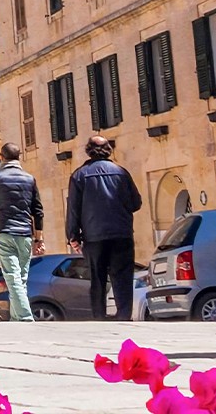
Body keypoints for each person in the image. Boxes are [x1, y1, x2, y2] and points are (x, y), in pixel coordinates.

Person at [66, 135, 142, 320]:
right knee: (122, 276)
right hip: (121, 234)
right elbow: (136, 203)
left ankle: (99, 316)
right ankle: (123, 314)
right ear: (109, 150)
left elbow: (73, 209)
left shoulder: (79, 175)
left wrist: (73, 235)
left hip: (94, 236)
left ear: (88, 151)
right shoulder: (121, 172)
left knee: (97, 277)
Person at [0, 142, 45, 322]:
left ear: (1, 157)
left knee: (13, 276)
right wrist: (39, 238)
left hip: (4, 231)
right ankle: (16, 320)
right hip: (24, 233)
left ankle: (24, 317)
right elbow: (37, 211)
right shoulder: (30, 179)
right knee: (21, 278)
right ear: (19, 157)